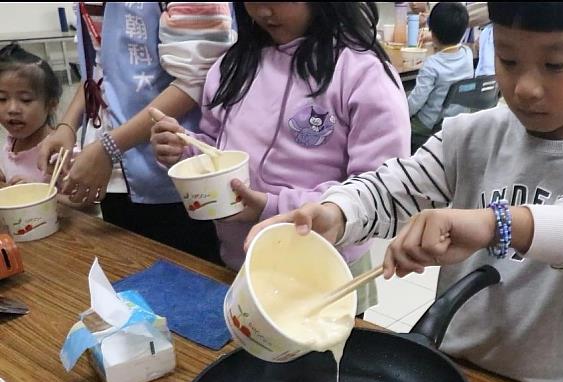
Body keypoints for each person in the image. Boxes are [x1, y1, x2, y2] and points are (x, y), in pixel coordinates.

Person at [246, 2, 563, 382]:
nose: (526, 87)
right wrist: (336, 212)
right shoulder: (470, 137)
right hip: (454, 372)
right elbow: (391, 189)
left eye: (555, 65)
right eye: (508, 60)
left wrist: (501, 223)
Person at [151, 2, 410, 315]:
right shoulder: (233, 65)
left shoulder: (363, 73)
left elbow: (379, 189)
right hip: (240, 260)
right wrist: (185, 149)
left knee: (326, 363)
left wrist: (269, 206)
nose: (262, 11)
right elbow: (215, 146)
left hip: (326, 272)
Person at [39, 2, 235, 263]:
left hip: (176, 171)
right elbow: (104, 63)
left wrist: (109, 148)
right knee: (129, 279)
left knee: (187, 278)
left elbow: (202, 76)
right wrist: (68, 126)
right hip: (119, 172)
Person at [407, 2, 474, 151]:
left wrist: (401, 113)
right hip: (457, 120)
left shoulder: (432, 65)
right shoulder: (467, 54)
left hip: (430, 125)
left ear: (432, 31)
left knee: (402, 120)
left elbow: (416, 101)